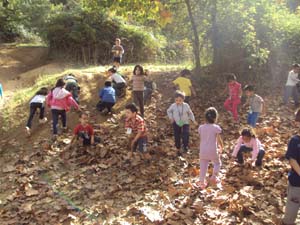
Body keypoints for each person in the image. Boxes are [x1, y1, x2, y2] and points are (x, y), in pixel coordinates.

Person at [196, 107, 223, 189]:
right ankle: (214, 177)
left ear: (205, 118)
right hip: (212, 150)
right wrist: (221, 146)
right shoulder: (216, 128)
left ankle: (201, 182)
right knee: (217, 163)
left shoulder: (201, 127)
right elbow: (219, 139)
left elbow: (201, 138)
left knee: (203, 166)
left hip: (203, 150)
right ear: (215, 118)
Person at [282, 108, 300, 225]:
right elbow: (292, 160)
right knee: (292, 209)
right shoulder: (295, 140)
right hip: (297, 182)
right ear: (297, 123)